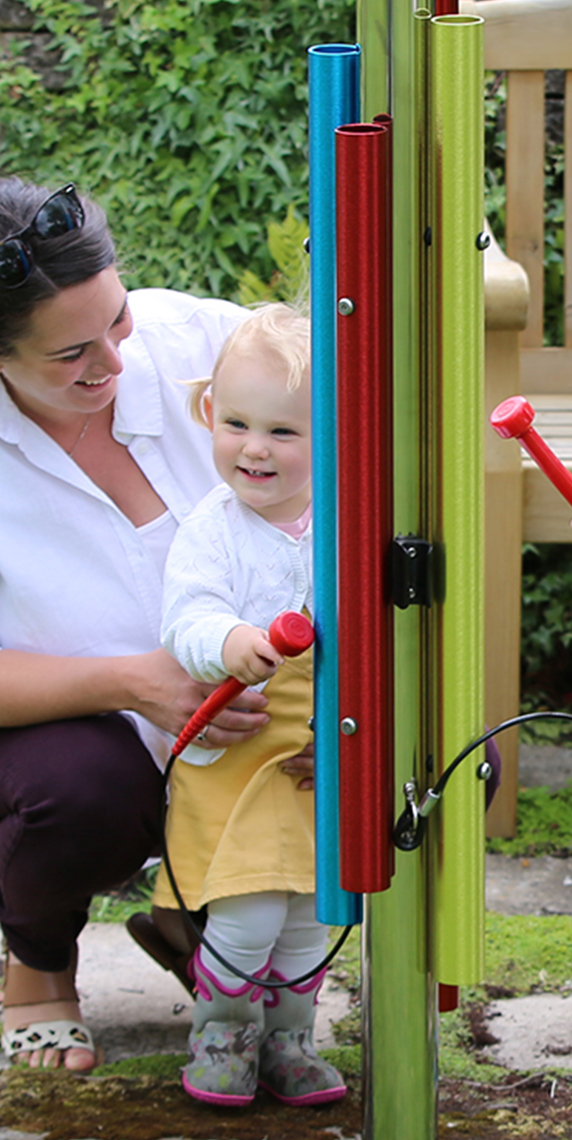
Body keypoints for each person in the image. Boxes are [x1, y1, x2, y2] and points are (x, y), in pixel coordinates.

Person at [0, 177, 312, 1073]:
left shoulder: (204, 343)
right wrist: (131, 681)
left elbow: (346, 377)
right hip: (83, 740)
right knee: (79, 789)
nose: (114, 361)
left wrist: (350, 710)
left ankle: (196, 923)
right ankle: (39, 971)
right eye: (72, 355)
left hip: (259, 729)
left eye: (118, 321)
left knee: (437, 760)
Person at [153, 303, 346, 1108]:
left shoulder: (338, 525)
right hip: (242, 743)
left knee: (311, 912)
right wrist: (228, 640)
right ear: (209, 414)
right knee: (249, 910)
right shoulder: (214, 528)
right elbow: (186, 615)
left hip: (315, 752)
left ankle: (292, 1037)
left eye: (283, 432)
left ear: (332, 434)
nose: (254, 448)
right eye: (235, 422)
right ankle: (225, 1028)